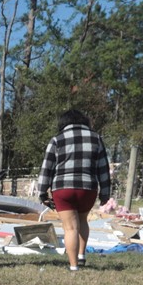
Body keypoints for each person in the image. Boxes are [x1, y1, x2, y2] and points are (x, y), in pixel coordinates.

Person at [38, 109, 111, 272]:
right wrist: (105, 193)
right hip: (88, 188)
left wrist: (42, 192)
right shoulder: (96, 138)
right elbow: (103, 168)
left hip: (63, 188)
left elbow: (47, 168)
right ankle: (81, 255)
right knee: (83, 221)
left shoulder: (57, 139)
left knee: (70, 227)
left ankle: (73, 266)